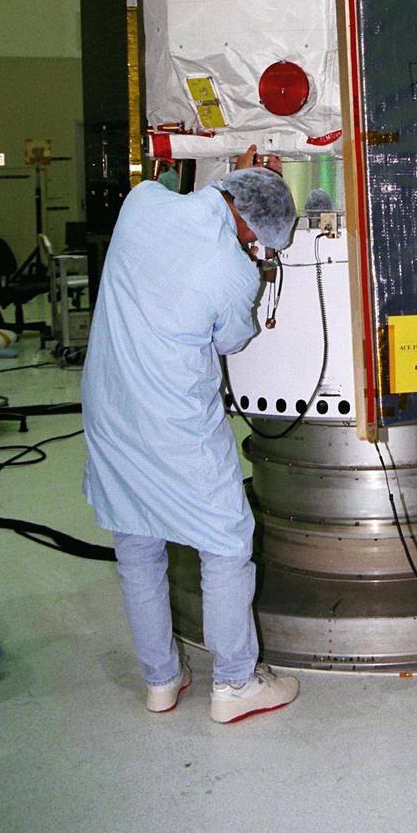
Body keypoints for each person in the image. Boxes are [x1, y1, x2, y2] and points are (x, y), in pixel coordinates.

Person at [82, 147, 300, 723]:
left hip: (110, 406)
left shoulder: (141, 205)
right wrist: (250, 271)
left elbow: (166, 184)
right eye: (259, 241)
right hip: (175, 422)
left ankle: (160, 679)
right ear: (254, 225)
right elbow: (232, 340)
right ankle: (235, 683)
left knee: (136, 543)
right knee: (226, 542)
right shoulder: (233, 269)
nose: (256, 250)